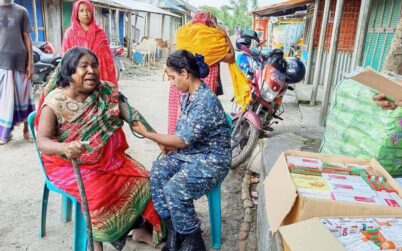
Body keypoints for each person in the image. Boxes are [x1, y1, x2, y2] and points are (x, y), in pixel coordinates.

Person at [36, 47, 164, 251]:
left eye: (94, 66)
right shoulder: (55, 102)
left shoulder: (106, 92)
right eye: (84, 66)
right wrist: (65, 147)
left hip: (106, 159)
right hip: (67, 162)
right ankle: (97, 243)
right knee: (100, 191)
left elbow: (133, 117)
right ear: (69, 71)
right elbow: (42, 140)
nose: (91, 71)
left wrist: (158, 139)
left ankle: (140, 230)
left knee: (144, 179)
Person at [133, 50, 231, 251]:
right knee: (158, 172)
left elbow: (182, 140)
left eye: (172, 77)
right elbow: (182, 133)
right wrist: (167, 144)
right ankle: (175, 232)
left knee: (174, 189)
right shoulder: (188, 96)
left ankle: (194, 241)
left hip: (212, 160)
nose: (172, 82)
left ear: (185, 73)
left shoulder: (205, 100)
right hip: (192, 154)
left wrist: (148, 134)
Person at [167, 11, 235, 134]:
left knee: (180, 120)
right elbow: (231, 57)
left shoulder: (185, 35)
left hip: (180, 86)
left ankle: (175, 142)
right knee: (201, 123)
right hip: (203, 87)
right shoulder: (213, 41)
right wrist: (223, 32)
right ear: (212, 25)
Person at [0, 0, 35, 145]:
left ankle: (27, 130)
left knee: (25, 97)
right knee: (4, 100)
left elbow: (27, 38)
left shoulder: (22, 11)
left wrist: (30, 63)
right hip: (2, 63)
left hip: (21, 61)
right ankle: (6, 133)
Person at [62, 0, 117, 86]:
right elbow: (65, 58)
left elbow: (108, 60)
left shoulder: (100, 33)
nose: (85, 14)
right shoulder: (70, 34)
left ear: (92, 12)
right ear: (76, 13)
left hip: (98, 75)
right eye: (81, 11)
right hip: (77, 76)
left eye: (88, 10)